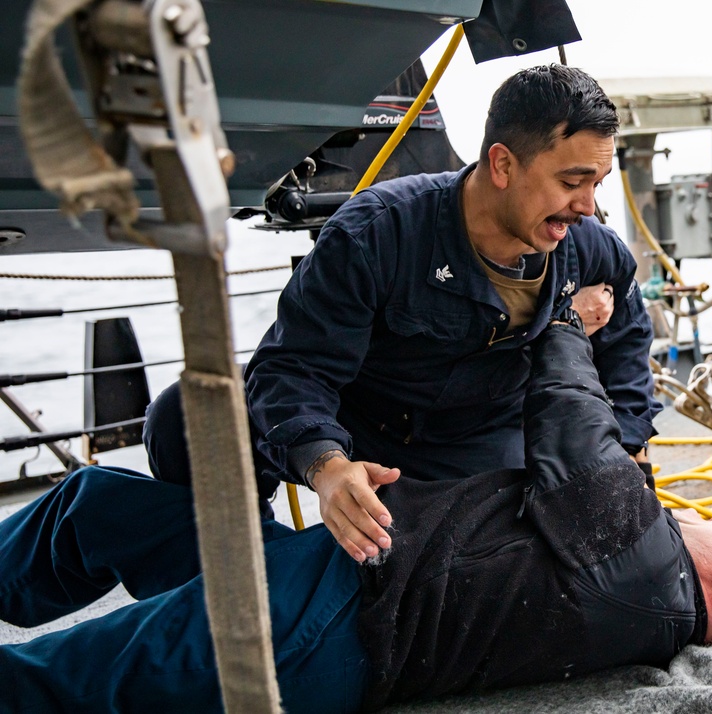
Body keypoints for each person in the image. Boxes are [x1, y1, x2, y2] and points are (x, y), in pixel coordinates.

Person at [1, 315, 712, 714]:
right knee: (101, 506)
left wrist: (568, 318)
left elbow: (570, 414)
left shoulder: (647, 561)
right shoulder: (642, 583)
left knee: (57, 681)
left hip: (321, 628)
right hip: (329, 581)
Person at [142, 64, 663, 561]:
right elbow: (294, 368)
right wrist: (326, 465)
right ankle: (247, 570)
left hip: (483, 443)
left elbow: (627, 335)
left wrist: (629, 445)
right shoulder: (376, 234)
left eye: (597, 183)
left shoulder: (589, 248)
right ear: (503, 164)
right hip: (362, 425)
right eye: (572, 183)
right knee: (186, 417)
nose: (589, 206)